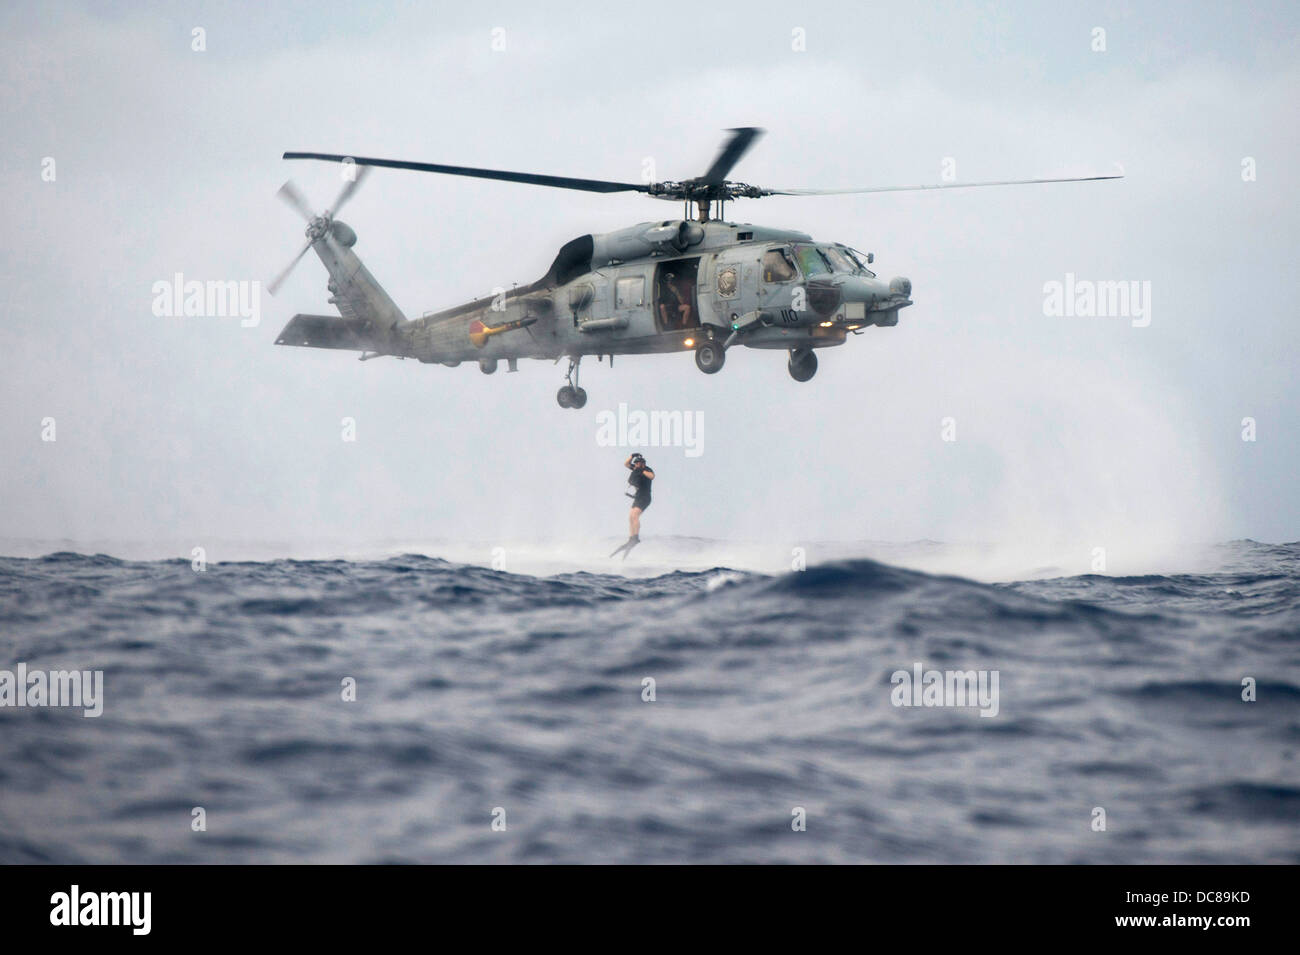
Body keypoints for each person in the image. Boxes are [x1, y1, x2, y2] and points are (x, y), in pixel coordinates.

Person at [611, 452, 654, 558]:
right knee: (630, 517)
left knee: (635, 515)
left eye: (639, 463)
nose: (637, 465)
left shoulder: (647, 470)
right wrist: (632, 456)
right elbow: (626, 464)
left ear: (643, 463)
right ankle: (631, 538)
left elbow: (652, 476)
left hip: (645, 497)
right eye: (636, 464)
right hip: (638, 497)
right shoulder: (635, 468)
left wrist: (642, 470)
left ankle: (636, 537)